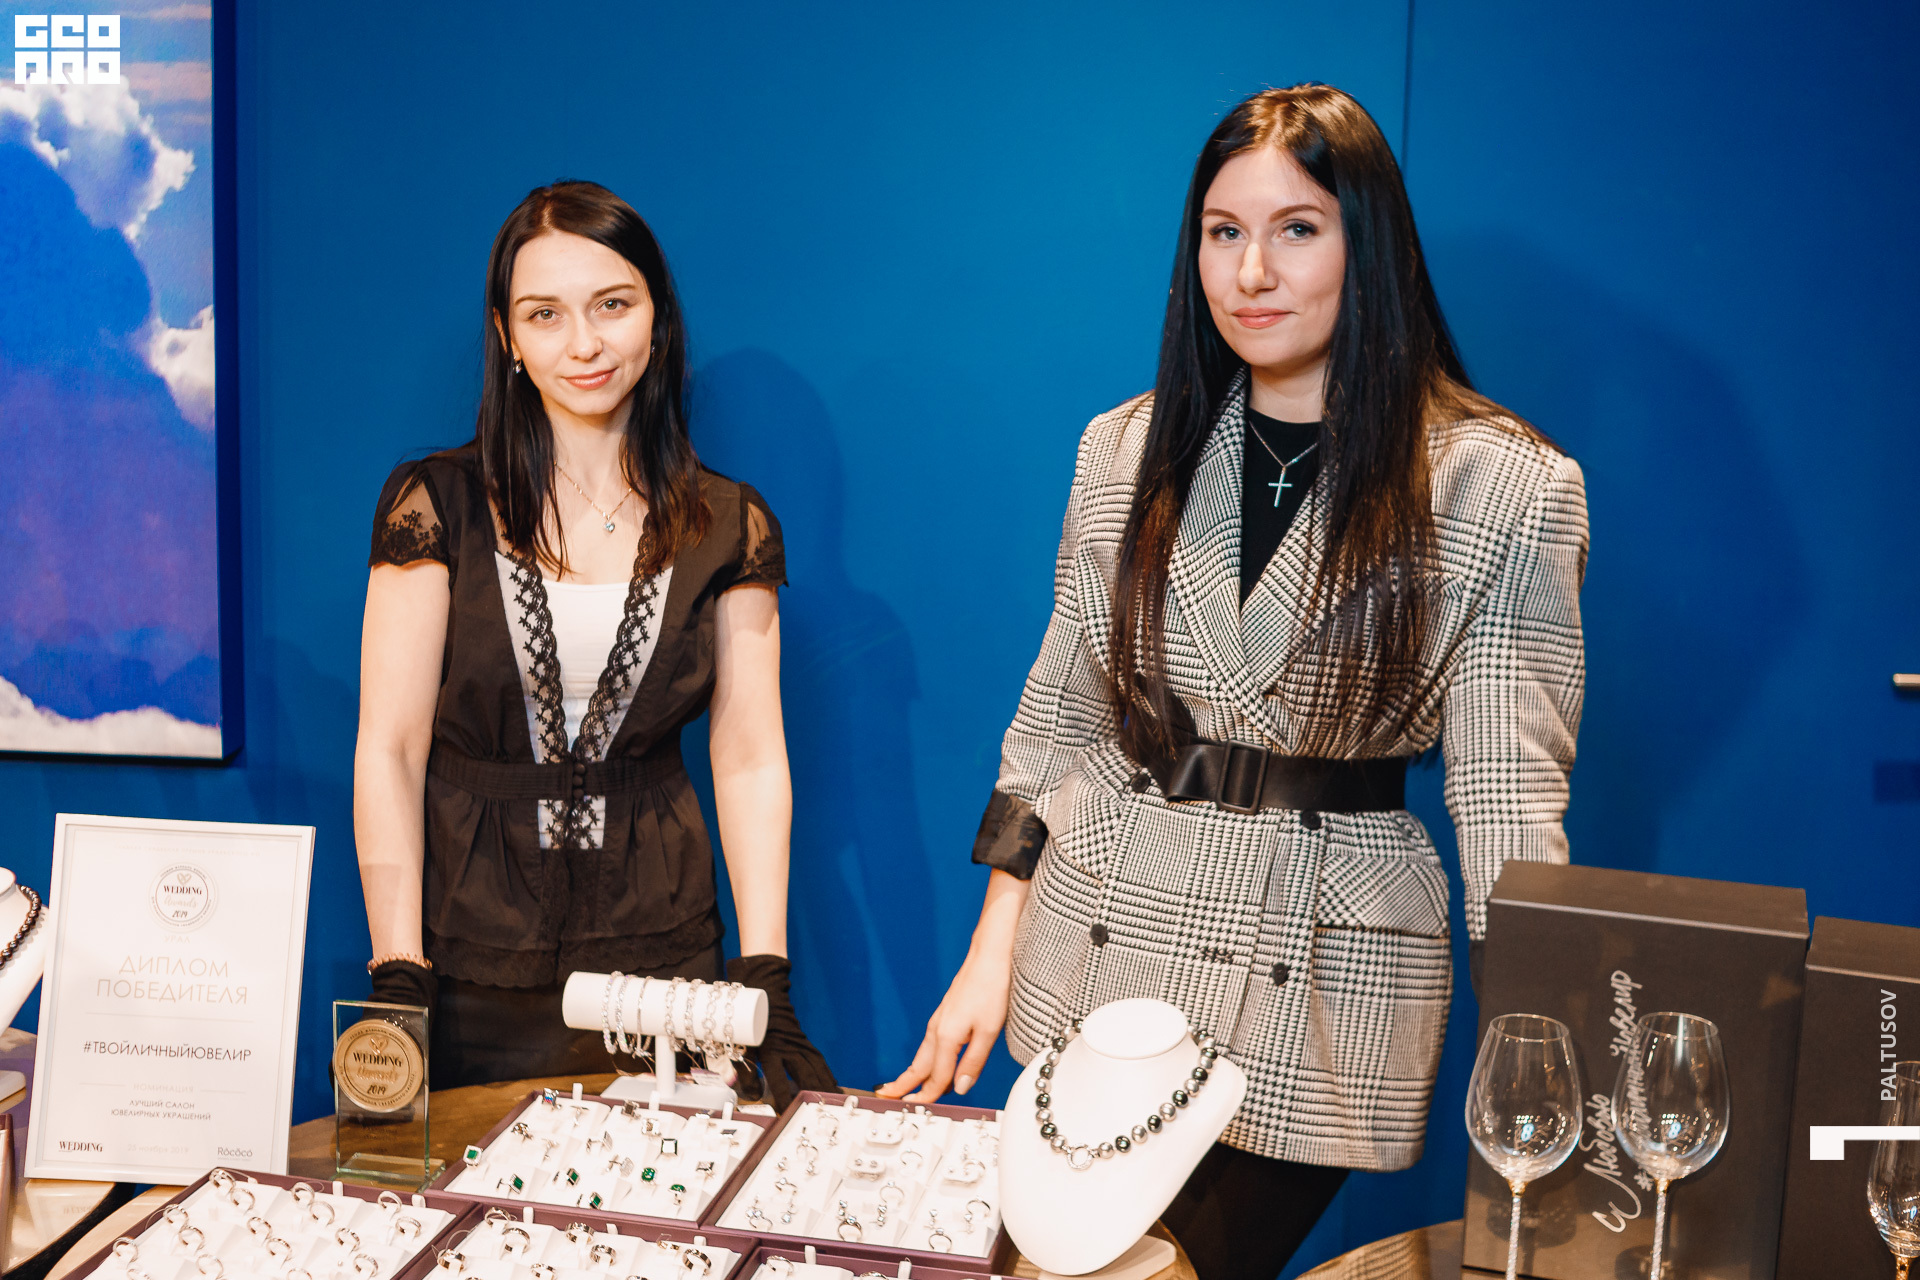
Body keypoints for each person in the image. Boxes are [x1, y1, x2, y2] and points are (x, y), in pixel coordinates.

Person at [880, 85, 1587, 1278]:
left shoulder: (1499, 483)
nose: (1251, 270)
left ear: (1370, 245)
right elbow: (1059, 716)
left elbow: (1508, 803)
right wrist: (989, 949)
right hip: (1102, 928)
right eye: (1223, 231)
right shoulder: (1127, 445)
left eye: (1297, 228)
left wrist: (1537, 1052)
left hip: (1320, 961)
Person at [353, 180, 835, 1105]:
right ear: (508, 336)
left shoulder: (731, 523)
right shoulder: (436, 503)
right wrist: (399, 967)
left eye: (613, 305)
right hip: (468, 964)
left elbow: (748, 756)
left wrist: (764, 975)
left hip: (665, 968)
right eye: (546, 314)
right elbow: (391, 747)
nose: (583, 344)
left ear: (657, 318)